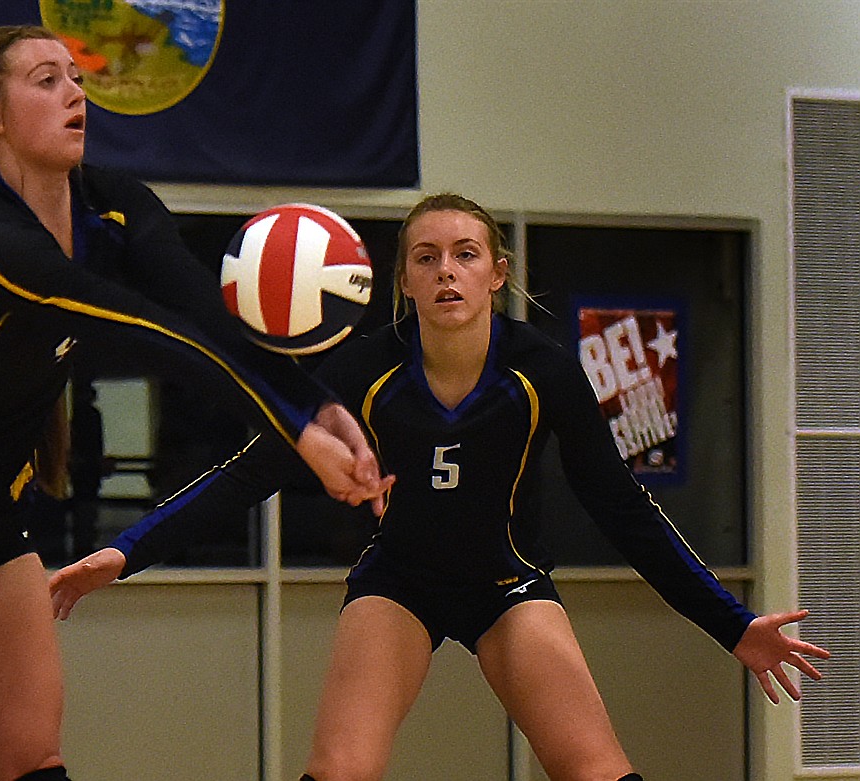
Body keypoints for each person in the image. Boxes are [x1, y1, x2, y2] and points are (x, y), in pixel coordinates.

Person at [50, 193, 831, 781]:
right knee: (341, 769)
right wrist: (121, 552)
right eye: (426, 256)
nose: (446, 270)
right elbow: (251, 473)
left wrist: (734, 625)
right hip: (399, 585)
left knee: (599, 771)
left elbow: (625, 510)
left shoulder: (544, 372)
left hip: (509, 586)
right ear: (404, 280)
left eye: (464, 253)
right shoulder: (362, 372)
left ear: (497, 272)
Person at [0, 25, 390, 781]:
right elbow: (155, 338)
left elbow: (203, 319)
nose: (75, 94)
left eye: (77, 79)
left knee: (37, 760)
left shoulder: (116, 207)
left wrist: (316, 406)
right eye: (46, 80)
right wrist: (295, 435)